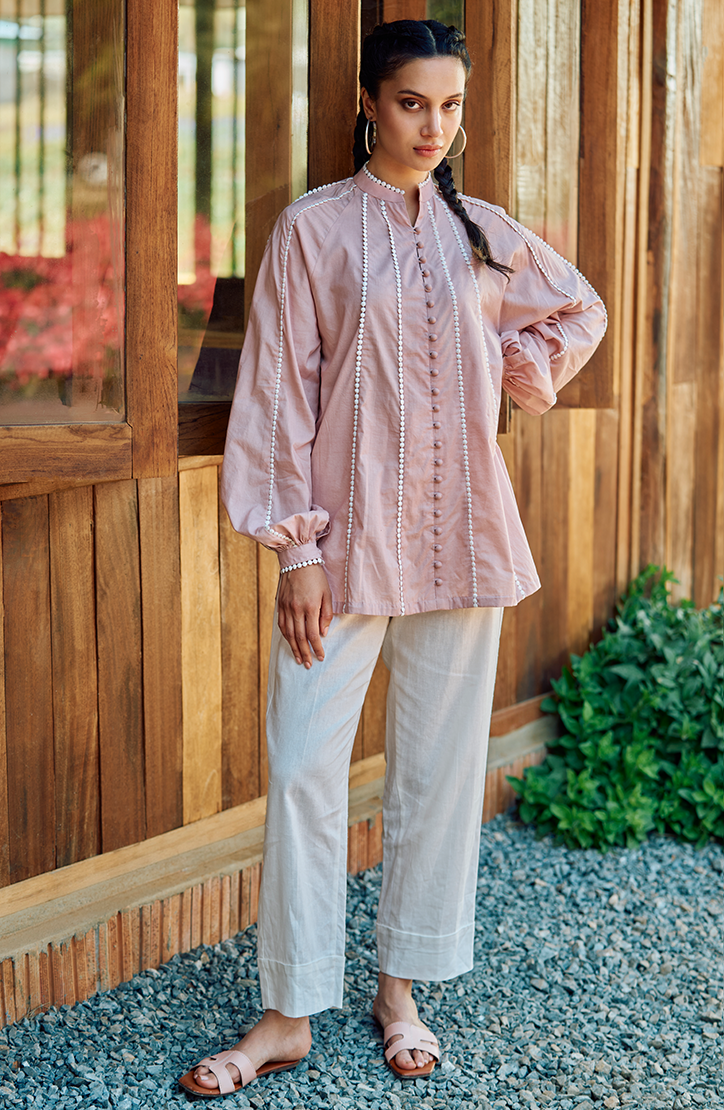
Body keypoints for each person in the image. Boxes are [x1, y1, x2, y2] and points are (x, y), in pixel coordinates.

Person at [178, 18, 606, 1099]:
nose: (435, 126)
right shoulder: (313, 231)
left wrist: (524, 361)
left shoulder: (481, 231)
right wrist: (297, 555)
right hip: (344, 550)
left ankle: (400, 991)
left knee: (439, 774)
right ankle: (287, 1012)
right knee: (303, 766)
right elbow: (276, 394)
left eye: (452, 106)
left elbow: (579, 306)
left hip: (464, 545)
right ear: (369, 103)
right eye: (414, 103)